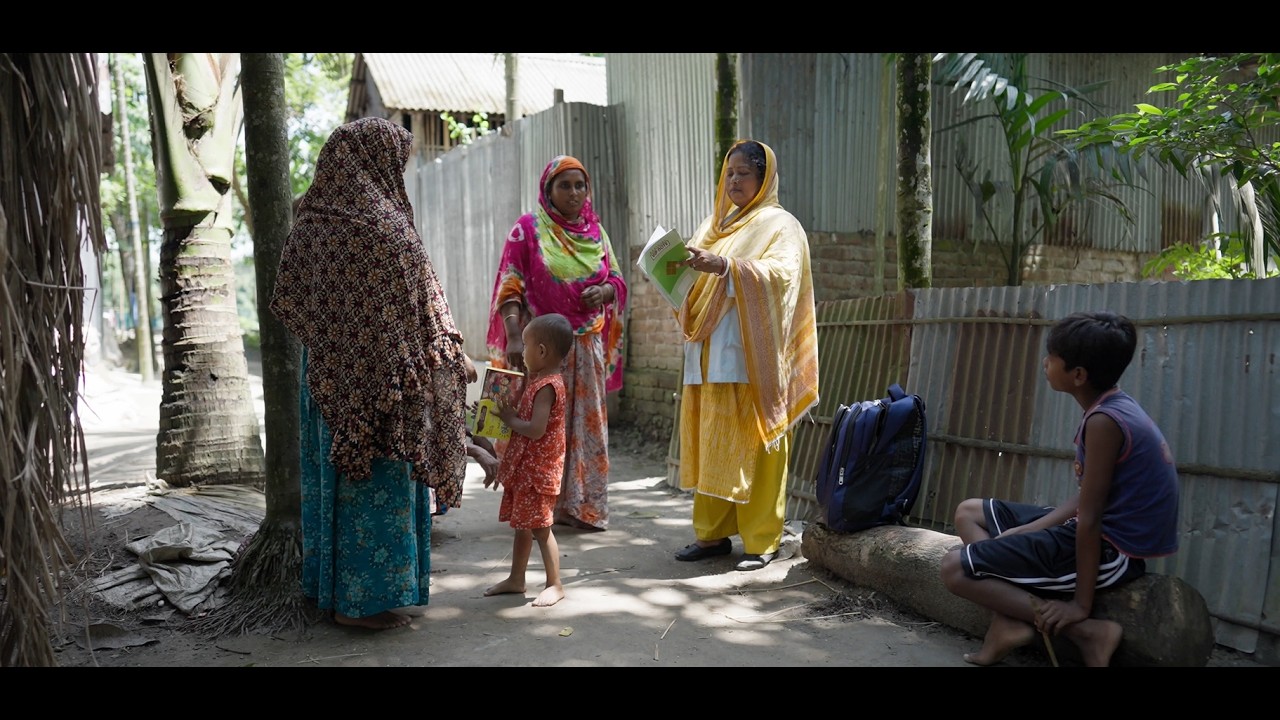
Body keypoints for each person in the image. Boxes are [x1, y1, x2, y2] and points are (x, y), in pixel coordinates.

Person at [270, 117, 478, 630]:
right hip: (386, 381)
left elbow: (291, 299)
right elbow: (415, 304)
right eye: (397, 162)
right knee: (376, 483)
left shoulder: (311, 221)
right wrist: (445, 354)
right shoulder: (384, 226)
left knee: (335, 479)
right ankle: (363, 604)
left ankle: (335, 592)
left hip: (325, 379)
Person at [939, 311, 1180, 667]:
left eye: (1052, 359)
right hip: (1099, 531)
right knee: (969, 512)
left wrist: (1079, 607)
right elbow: (1088, 498)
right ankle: (1007, 617)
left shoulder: (1104, 422)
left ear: (1078, 375)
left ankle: (1088, 633)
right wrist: (1029, 530)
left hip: (1114, 552)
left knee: (953, 568)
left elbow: (1092, 518)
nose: (1044, 363)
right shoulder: (1112, 405)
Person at [672, 139, 820, 572]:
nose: (734, 180)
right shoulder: (711, 225)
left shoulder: (780, 224)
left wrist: (724, 268)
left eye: (744, 173)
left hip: (748, 354)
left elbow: (783, 276)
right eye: (729, 173)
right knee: (712, 442)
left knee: (758, 444)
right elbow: (690, 279)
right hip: (705, 351)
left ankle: (762, 540)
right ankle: (711, 536)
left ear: (763, 178)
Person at [486, 155, 627, 532]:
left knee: (586, 426)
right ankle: (536, 504)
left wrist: (604, 291)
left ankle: (583, 507)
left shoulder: (596, 232)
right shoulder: (528, 230)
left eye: (580, 185)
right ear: (547, 190)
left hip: (586, 346)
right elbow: (510, 284)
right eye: (564, 185)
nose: (574, 193)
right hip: (543, 347)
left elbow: (617, 278)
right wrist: (515, 335)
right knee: (541, 426)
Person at [482, 313, 573, 607]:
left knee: (541, 528)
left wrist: (510, 417)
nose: (522, 353)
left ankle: (555, 584)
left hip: (539, 471)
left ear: (542, 351)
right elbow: (525, 422)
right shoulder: (538, 381)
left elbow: (535, 429)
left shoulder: (548, 386)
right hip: (527, 467)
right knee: (522, 525)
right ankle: (516, 578)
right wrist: (492, 415)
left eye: (525, 346)